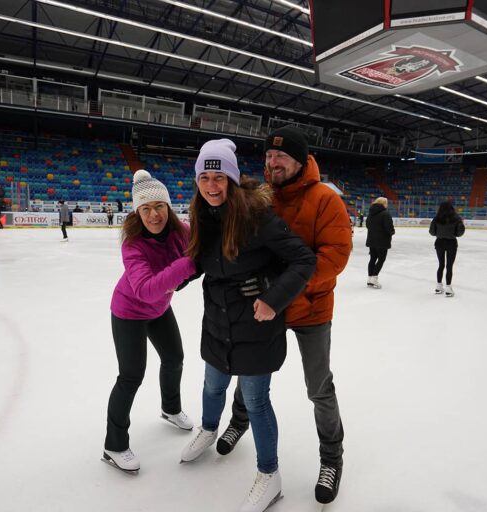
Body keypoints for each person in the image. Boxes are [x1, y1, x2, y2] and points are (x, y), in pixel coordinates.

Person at [179, 138, 316, 512]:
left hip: (256, 327)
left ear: (233, 180)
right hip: (217, 322)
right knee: (212, 385)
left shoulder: (259, 219)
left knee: (255, 401)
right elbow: (198, 264)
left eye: (218, 176)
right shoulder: (202, 218)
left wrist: (273, 299)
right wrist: (167, 282)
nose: (211, 185)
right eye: (204, 177)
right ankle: (208, 430)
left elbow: (303, 261)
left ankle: (269, 474)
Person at [220, 126, 353, 505]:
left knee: (318, 387)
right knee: (249, 372)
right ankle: (238, 422)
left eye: (280, 157)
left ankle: (332, 458)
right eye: (267, 156)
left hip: (311, 308)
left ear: (299, 161)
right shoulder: (260, 198)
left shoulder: (326, 200)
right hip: (268, 308)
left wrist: (282, 289)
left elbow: (334, 257)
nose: (272, 162)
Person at [103, 170, 197, 474]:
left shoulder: (181, 231)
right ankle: (114, 445)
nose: (153, 214)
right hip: (129, 310)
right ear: (137, 212)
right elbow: (144, 289)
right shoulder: (132, 244)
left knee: (174, 358)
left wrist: (186, 274)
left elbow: (200, 250)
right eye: (145, 208)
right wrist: (187, 266)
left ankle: (170, 409)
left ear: (168, 208)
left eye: (159, 206)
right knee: (131, 376)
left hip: (158, 309)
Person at [429, 200, 465, 297]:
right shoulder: (456, 218)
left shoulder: (436, 218)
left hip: (439, 242)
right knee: (449, 266)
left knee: (441, 265)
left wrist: (440, 233)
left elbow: (432, 232)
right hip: (451, 243)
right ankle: (448, 288)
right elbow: (460, 233)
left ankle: (438, 286)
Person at [365, 196, 395, 289]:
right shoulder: (385, 214)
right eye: (386, 203)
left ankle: (370, 279)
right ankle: (374, 278)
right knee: (381, 259)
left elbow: (367, 225)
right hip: (382, 241)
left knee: (373, 258)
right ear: (383, 204)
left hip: (372, 239)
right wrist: (392, 232)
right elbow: (389, 228)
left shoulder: (370, 213)